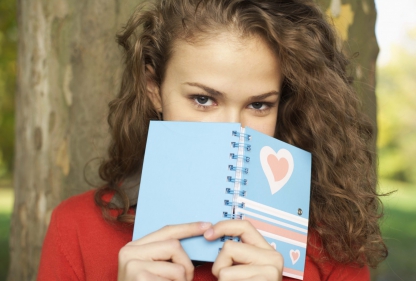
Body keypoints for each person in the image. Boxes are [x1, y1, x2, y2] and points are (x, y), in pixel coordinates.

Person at [37, 0, 388, 280]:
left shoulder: (334, 246)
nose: (232, 130)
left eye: (259, 105)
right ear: (154, 89)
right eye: (203, 99)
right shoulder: (77, 228)